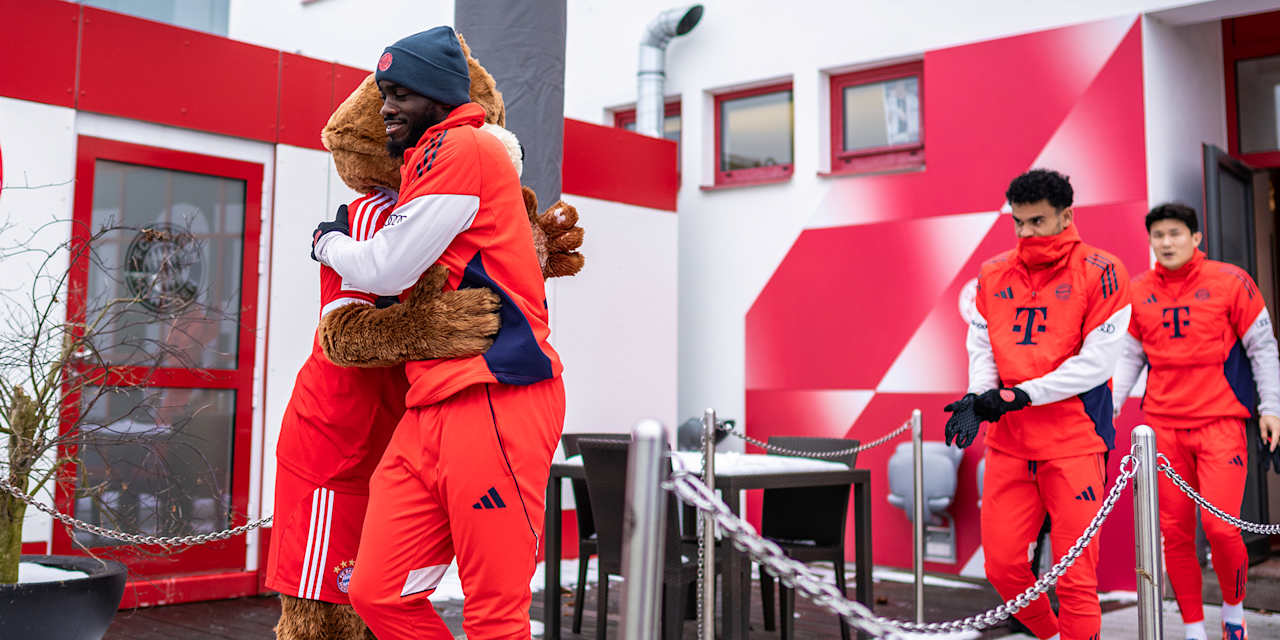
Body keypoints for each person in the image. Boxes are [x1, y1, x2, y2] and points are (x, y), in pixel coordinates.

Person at [310, 26, 565, 640]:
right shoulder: (429, 160)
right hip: (429, 406)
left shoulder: (466, 146)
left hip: (496, 395)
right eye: (382, 94)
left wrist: (327, 242)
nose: (386, 107)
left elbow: (389, 265)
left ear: (439, 96)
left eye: (400, 92)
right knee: (376, 592)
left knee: (495, 616)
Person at [944, 168, 1131, 640]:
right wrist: (978, 395)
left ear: (1066, 215)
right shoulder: (992, 272)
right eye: (1018, 223)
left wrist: (1020, 394)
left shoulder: (1104, 271)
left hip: (1076, 443)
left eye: (1037, 222)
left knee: (1075, 579)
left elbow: (1095, 364)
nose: (1027, 233)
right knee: (1004, 568)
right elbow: (983, 346)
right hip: (1010, 444)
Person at [1112, 202, 1280, 640]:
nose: (1166, 242)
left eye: (1175, 233)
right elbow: (1129, 356)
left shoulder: (1231, 281)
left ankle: (1233, 611)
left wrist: (1272, 408)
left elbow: (1263, 348)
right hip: (1162, 430)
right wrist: (1107, 410)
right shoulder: (1136, 290)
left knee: (1223, 530)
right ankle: (1192, 629)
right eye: (1158, 235)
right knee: (1175, 534)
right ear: (1150, 241)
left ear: (1196, 237)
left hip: (1220, 424)